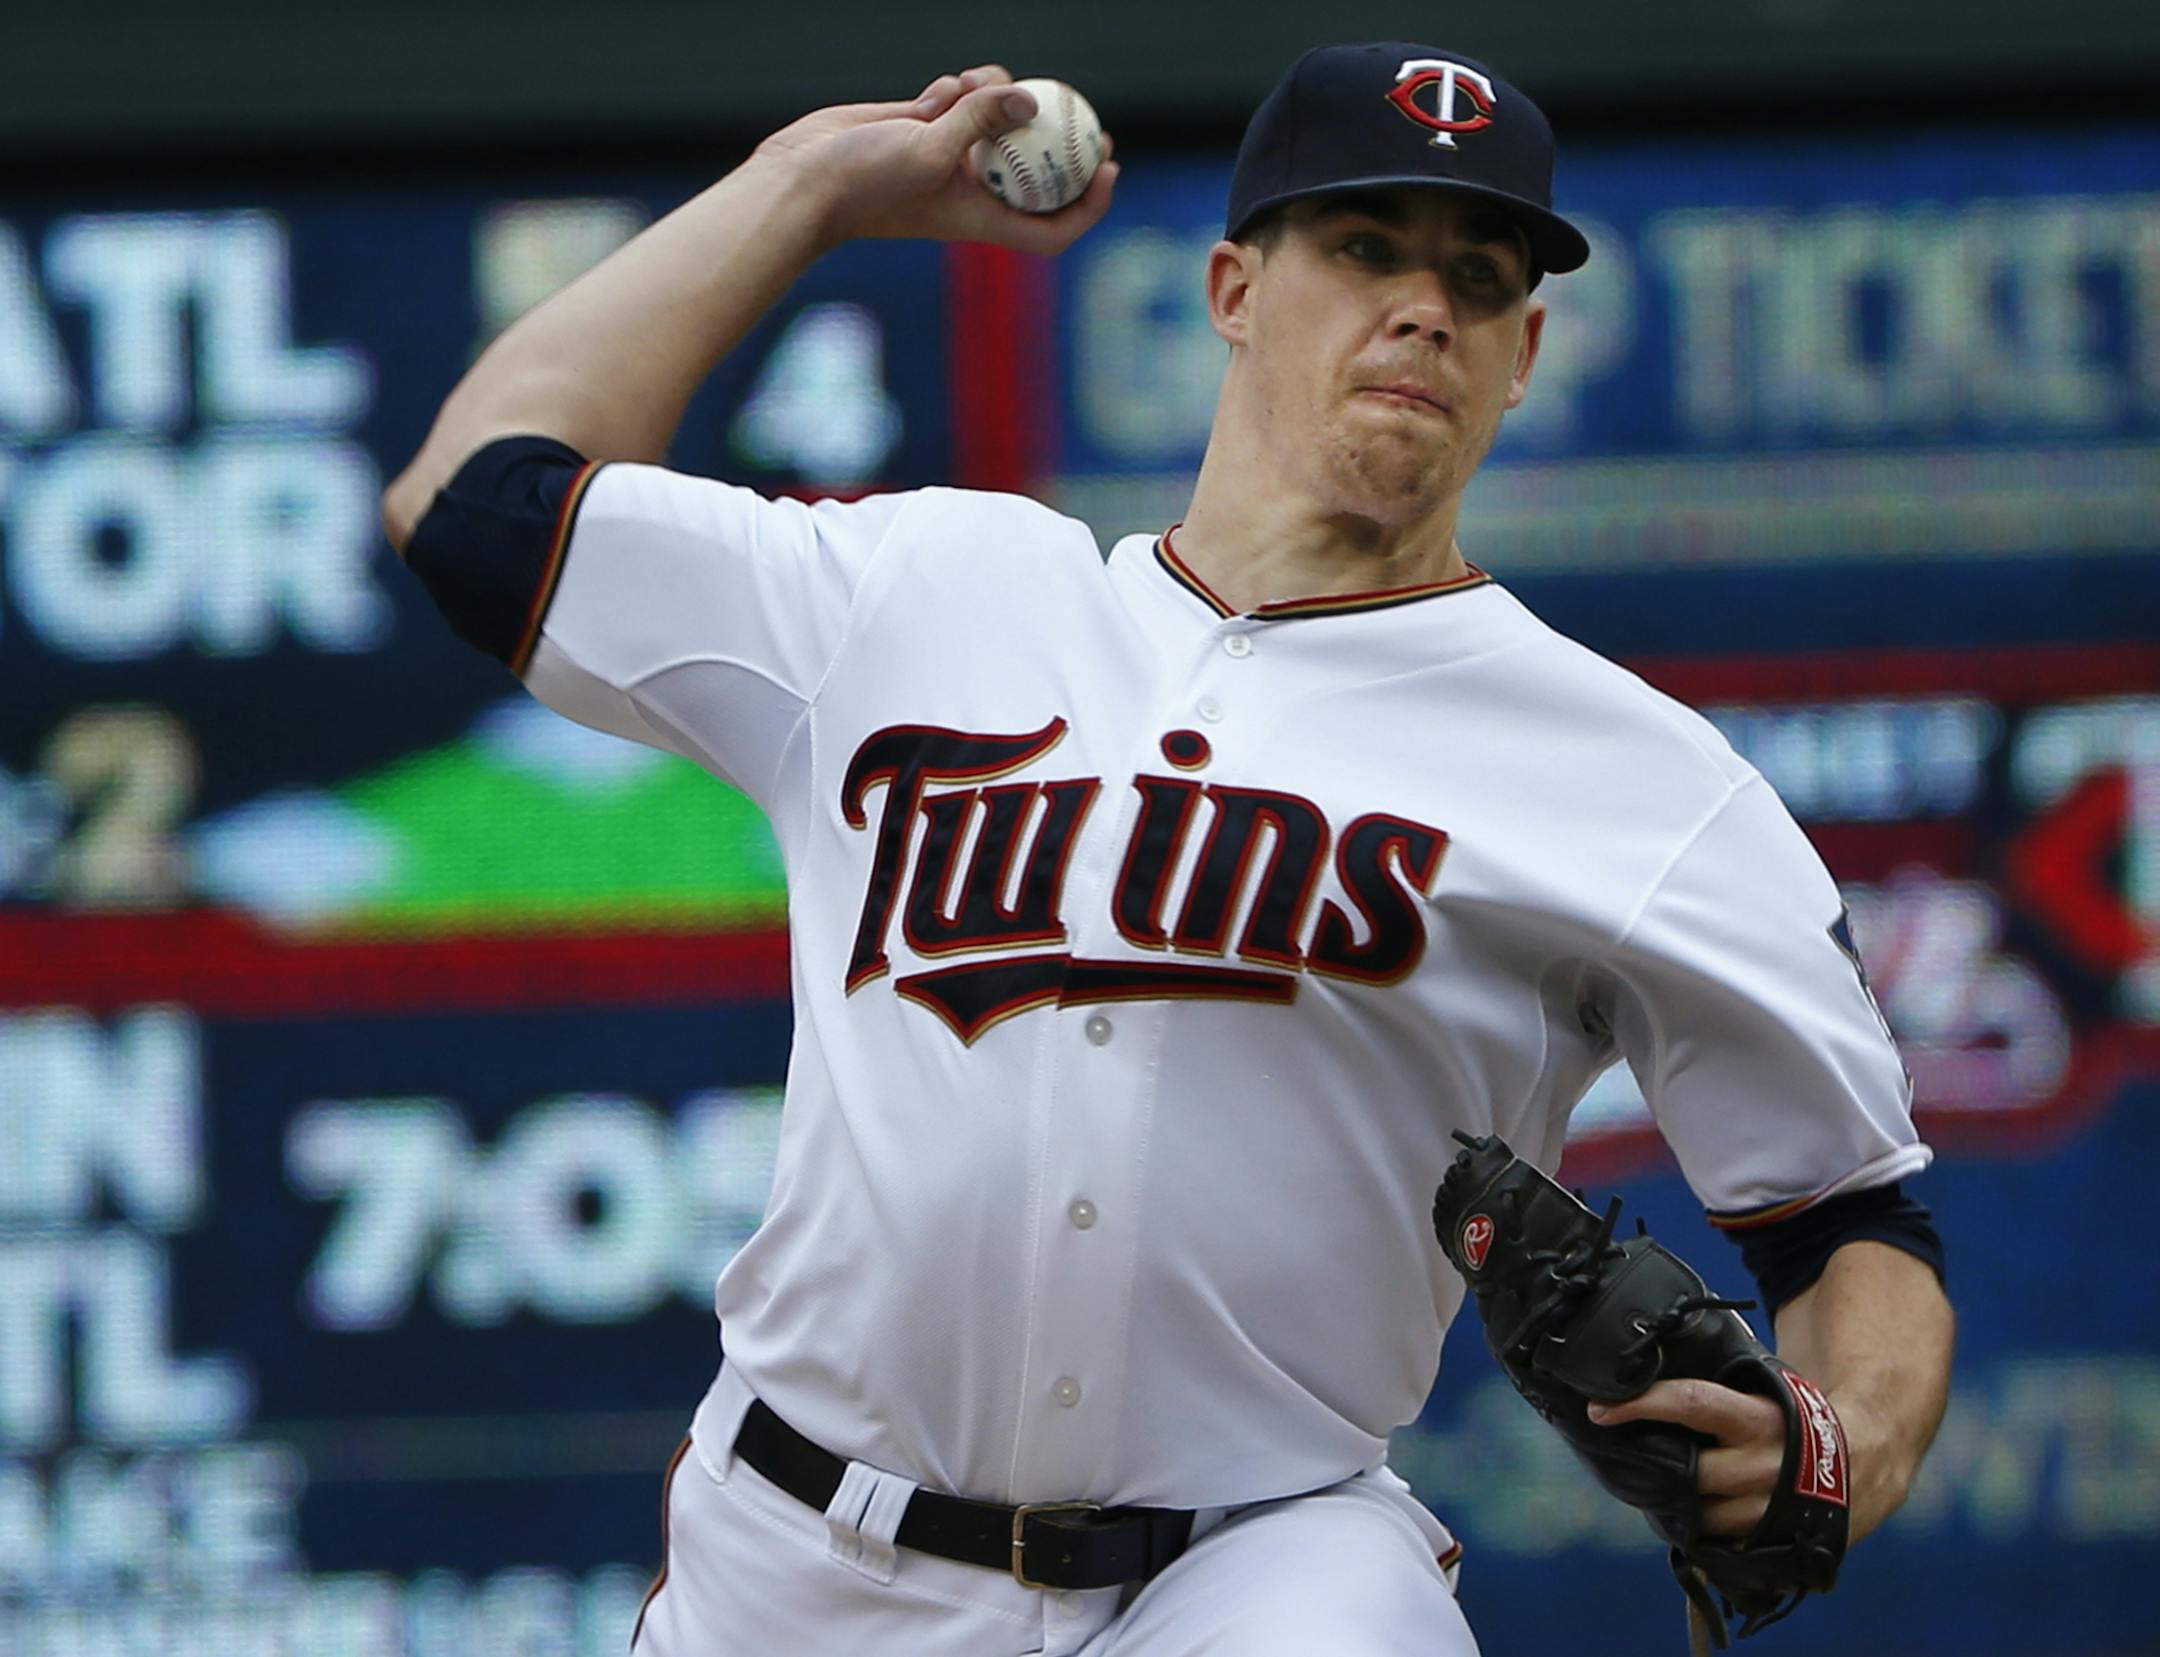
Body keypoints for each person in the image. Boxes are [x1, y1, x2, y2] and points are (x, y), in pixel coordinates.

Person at [382, 43, 1953, 1656]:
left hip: (1263, 1560)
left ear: (1523, 350)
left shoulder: (1636, 775)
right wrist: (808, 192)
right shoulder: (920, 588)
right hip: (799, 1554)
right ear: (1231, 289)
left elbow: (1853, 1221)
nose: (1422, 307)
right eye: (1362, 250)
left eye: (1478, 280)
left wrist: (1837, 1439)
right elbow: (477, 507)